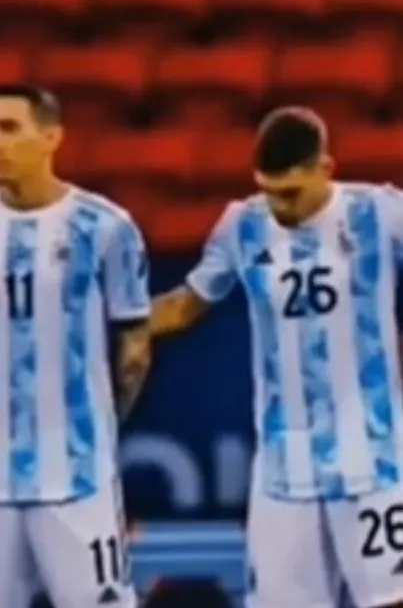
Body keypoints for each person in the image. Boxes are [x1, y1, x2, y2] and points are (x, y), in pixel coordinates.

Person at [151, 105, 403, 608]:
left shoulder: (381, 213)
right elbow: (184, 307)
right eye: (269, 193)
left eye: (290, 194)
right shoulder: (242, 224)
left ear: (325, 169)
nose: (280, 208)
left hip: (375, 457)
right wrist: (106, 326)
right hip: (283, 470)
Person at [0, 85, 150, 608]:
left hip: (76, 476)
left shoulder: (104, 227)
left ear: (51, 137)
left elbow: (134, 351)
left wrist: (98, 431)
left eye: (8, 129)